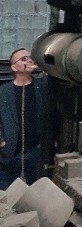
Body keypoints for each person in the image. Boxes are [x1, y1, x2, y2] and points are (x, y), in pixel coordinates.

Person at [0, 48, 45, 189]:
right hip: (10, 153)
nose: (29, 60)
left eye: (30, 57)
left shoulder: (42, 86)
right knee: (7, 194)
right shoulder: (3, 92)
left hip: (36, 151)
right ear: (14, 67)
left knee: (36, 193)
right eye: (24, 59)